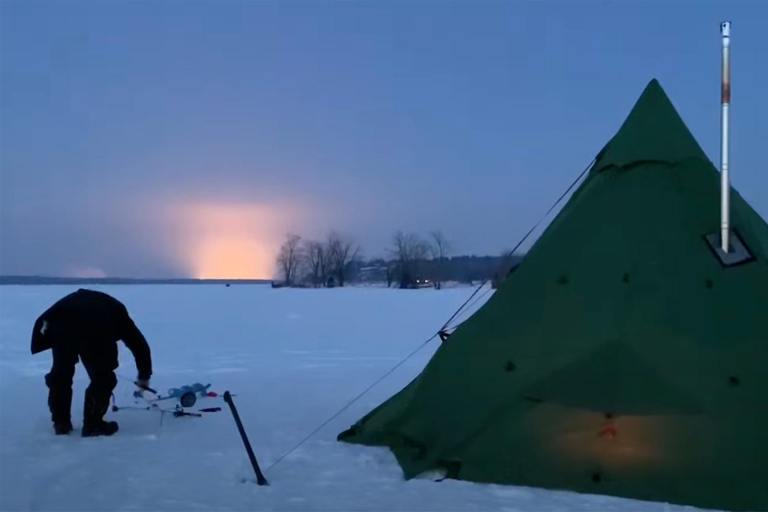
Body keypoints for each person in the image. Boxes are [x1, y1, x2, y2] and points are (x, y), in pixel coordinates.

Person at [31, 289, 153, 437]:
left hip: (61, 325)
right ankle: (93, 425)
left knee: (62, 374)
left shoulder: (112, 311)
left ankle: (61, 424)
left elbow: (139, 346)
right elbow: (139, 345)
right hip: (71, 324)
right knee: (103, 377)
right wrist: (144, 376)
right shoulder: (117, 315)